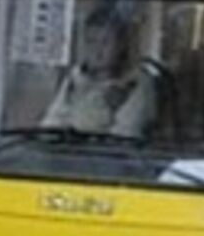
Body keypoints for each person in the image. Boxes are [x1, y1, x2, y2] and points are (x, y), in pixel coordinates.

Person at [41, 7, 156, 139]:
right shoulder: (75, 78)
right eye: (91, 42)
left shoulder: (136, 83)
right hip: (69, 153)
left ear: (120, 45)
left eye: (105, 42)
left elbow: (126, 134)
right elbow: (51, 123)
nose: (97, 50)